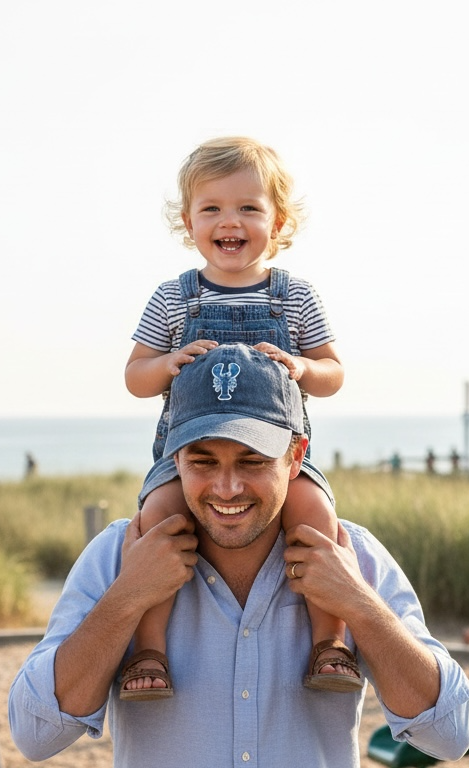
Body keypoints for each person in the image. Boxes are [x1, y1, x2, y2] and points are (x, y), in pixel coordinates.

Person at [9, 344, 469, 768]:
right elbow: (35, 732)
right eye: (204, 462)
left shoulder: (355, 557)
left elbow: (449, 731)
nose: (226, 488)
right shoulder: (118, 554)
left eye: (252, 462)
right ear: (173, 459)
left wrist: (358, 606)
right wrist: (128, 597)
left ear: (297, 453)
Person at [122, 136, 355, 699]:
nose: (232, 221)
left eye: (249, 208)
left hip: (275, 459)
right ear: (189, 221)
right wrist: (168, 364)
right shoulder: (174, 299)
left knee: (315, 513)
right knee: (158, 515)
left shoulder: (294, 297)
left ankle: (331, 641)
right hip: (192, 459)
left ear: (278, 222)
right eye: (213, 209)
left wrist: (301, 366)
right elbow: (135, 377)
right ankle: (148, 647)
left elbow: (333, 372)